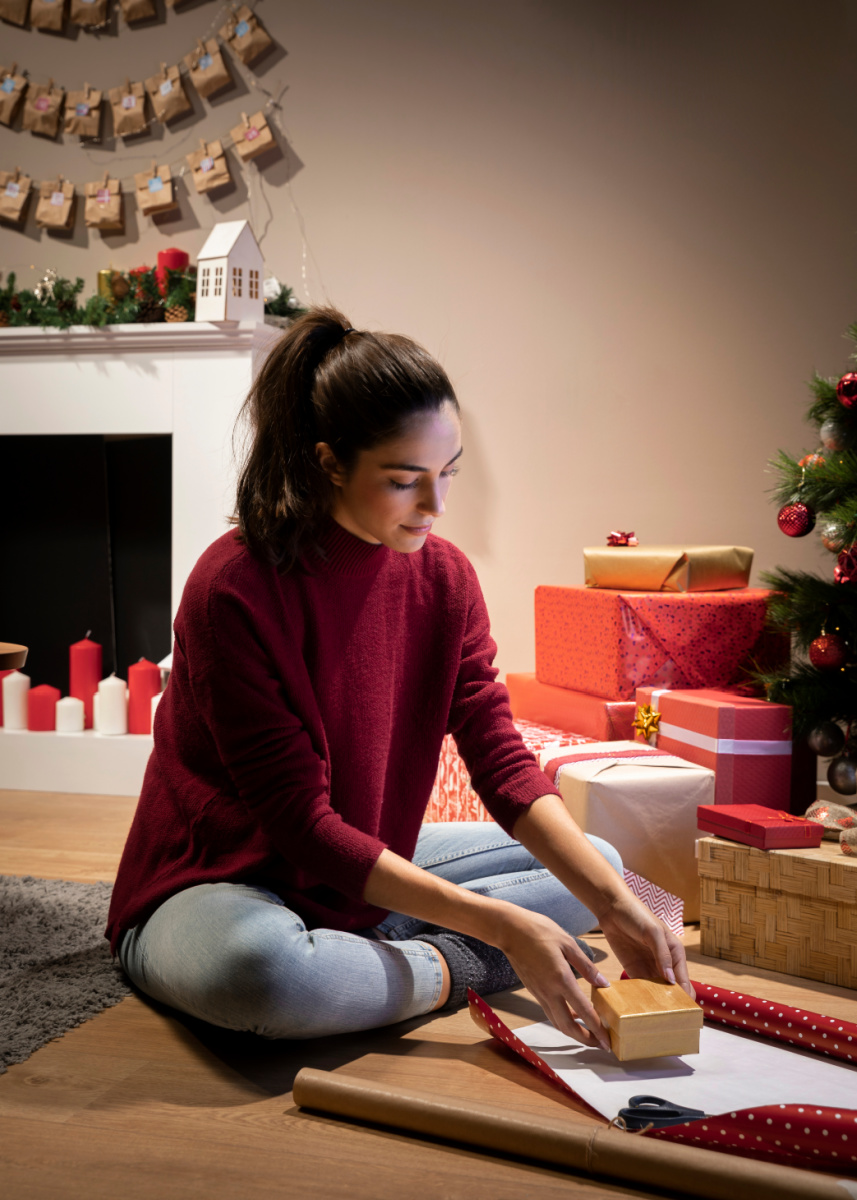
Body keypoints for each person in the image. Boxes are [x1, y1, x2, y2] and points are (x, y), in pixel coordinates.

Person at [106, 307, 692, 1046]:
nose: (436, 505)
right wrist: (499, 931)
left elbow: (500, 758)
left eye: (447, 474)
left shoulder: (444, 579)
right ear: (327, 462)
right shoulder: (232, 587)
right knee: (268, 976)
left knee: (601, 868)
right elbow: (303, 827)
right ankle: (458, 964)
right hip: (223, 882)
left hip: (354, 871)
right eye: (404, 479)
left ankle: (387, 961)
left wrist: (616, 906)